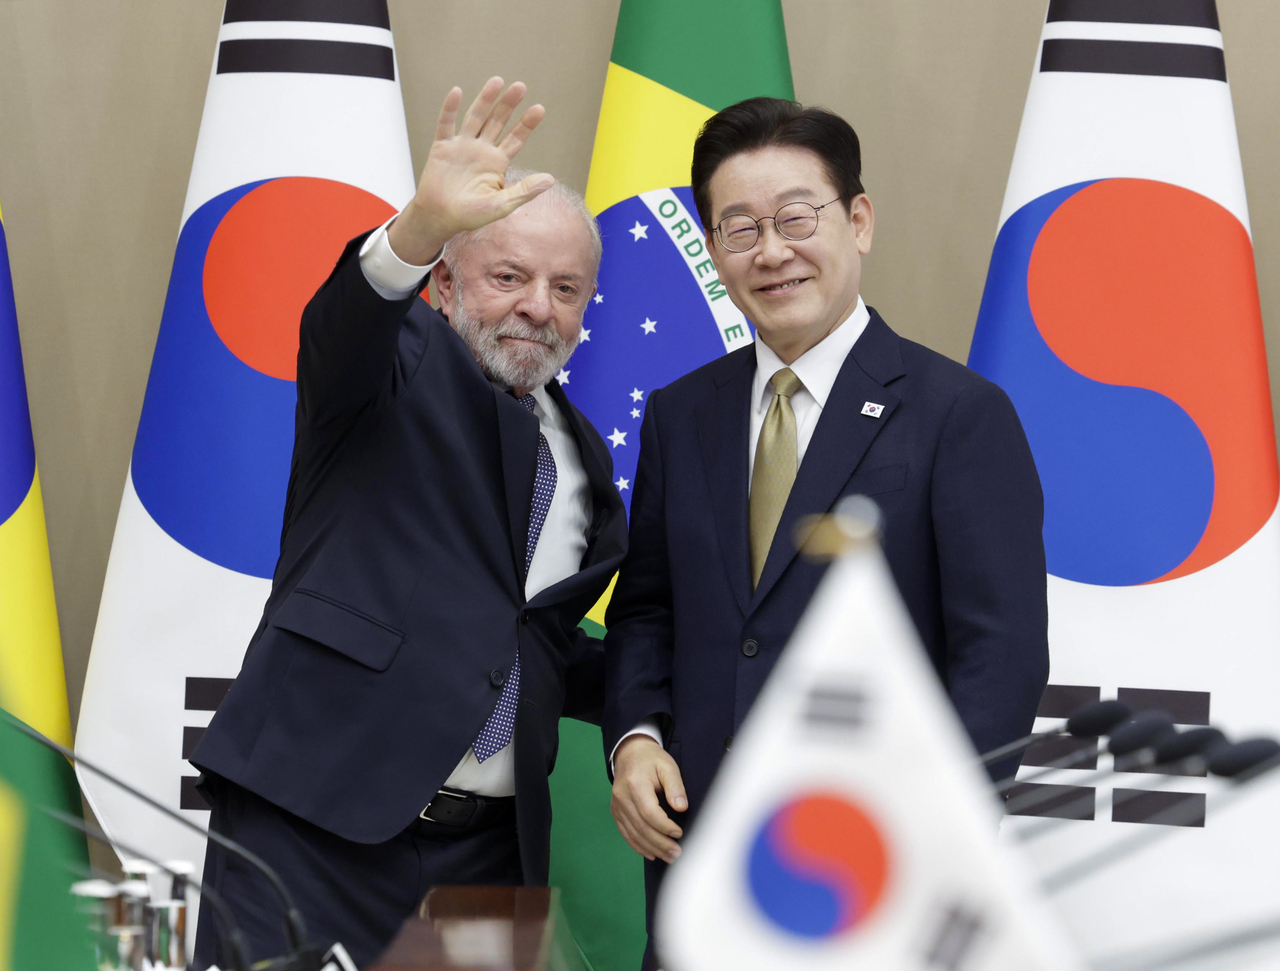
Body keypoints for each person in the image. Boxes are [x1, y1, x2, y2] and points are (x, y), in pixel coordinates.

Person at [189, 79, 627, 969]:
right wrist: (415, 228)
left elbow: (530, 644)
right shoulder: (392, 372)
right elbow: (341, 326)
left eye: (567, 287)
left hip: (491, 857)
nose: (539, 306)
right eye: (509, 276)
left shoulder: (587, 455)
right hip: (311, 823)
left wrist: (680, 686)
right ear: (447, 281)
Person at [602, 97, 1049, 967]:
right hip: (701, 874)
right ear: (715, 248)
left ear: (859, 220)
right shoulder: (680, 413)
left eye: (797, 217)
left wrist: (927, 844)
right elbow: (649, 609)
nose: (771, 250)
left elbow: (999, 660)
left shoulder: (959, 414)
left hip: (874, 878)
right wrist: (635, 738)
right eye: (739, 227)